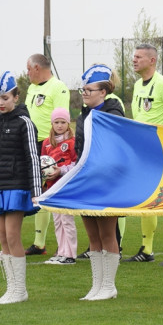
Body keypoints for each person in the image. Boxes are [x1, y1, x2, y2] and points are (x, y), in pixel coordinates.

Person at [0, 72, 43, 305]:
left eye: (5, 98)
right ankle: (11, 289)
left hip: (16, 187)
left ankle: (20, 290)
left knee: (12, 235)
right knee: (2, 239)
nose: (1, 102)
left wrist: (36, 192)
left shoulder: (25, 123)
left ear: (16, 97)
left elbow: (32, 157)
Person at [127, 43, 163, 265]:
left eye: (139, 57)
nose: (134, 60)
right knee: (147, 198)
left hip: (162, 151)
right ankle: (147, 249)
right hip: (143, 153)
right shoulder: (137, 85)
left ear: (152, 61)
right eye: (134, 56)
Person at [77, 64, 126, 302]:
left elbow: (117, 150)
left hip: (107, 183)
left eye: (89, 89)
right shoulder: (83, 115)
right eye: (83, 89)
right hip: (86, 182)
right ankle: (96, 285)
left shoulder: (113, 114)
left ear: (103, 92)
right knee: (93, 237)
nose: (84, 93)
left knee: (108, 234)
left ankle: (109, 285)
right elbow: (80, 151)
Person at [24, 53, 70, 257]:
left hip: (49, 144)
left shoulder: (58, 87)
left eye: (28, 69)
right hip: (31, 143)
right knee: (38, 191)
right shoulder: (32, 88)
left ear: (36, 68)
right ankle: (39, 243)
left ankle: (50, 243)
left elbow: (62, 118)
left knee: (49, 189)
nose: (26, 73)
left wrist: (56, 144)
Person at [41, 107, 78, 265]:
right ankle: (62, 252)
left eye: (63, 122)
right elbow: (42, 163)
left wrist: (61, 171)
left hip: (66, 187)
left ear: (68, 123)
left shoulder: (72, 142)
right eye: (57, 122)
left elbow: (77, 164)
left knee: (67, 220)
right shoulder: (46, 143)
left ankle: (70, 255)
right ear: (52, 123)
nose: (60, 125)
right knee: (57, 221)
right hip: (52, 188)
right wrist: (44, 180)